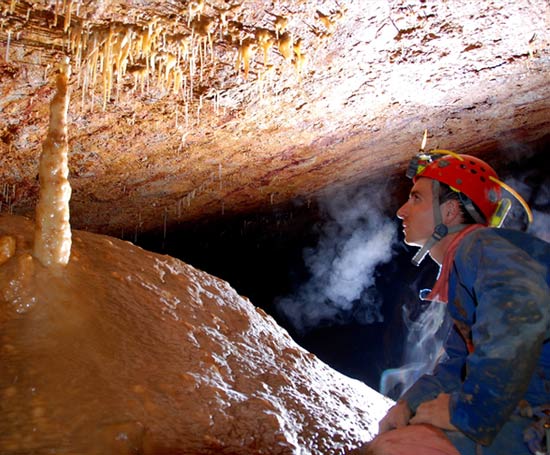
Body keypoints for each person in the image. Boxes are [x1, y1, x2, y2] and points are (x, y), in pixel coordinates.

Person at [367, 150, 550, 455]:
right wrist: (408, 405)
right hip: (533, 416)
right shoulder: (468, 275)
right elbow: (458, 364)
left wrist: (470, 413)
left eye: (416, 198)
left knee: (396, 449)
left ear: (450, 212)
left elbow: (522, 313)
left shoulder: (477, 246)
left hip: (539, 421)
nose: (401, 210)